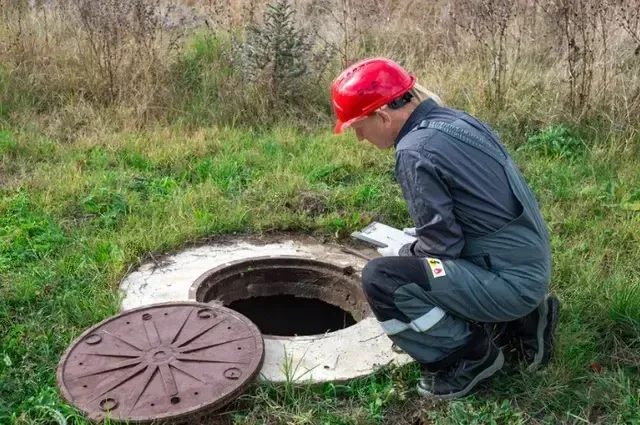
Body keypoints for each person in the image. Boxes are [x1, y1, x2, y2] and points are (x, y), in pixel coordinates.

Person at [330, 57, 559, 400]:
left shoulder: (413, 151)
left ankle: (466, 357)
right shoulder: (454, 121)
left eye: (357, 127)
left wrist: (405, 252)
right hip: (527, 262)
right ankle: (525, 317)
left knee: (383, 279)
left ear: (382, 116)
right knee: (417, 257)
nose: (360, 138)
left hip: (509, 282)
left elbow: (440, 249)